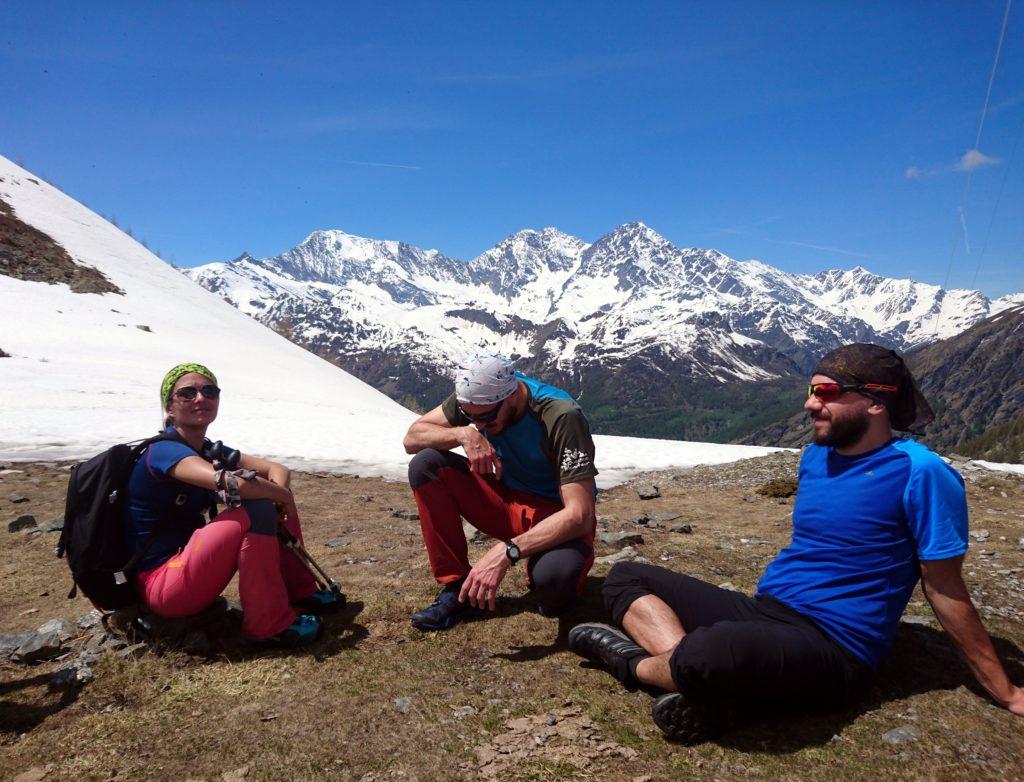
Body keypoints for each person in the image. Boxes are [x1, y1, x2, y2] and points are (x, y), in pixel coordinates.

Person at [569, 343, 1024, 743]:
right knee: (628, 576)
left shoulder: (922, 473)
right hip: (770, 611)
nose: (810, 404)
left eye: (826, 392)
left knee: (717, 648)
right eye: (810, 391)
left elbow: (945, 588)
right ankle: (701, 681)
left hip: (836, 647)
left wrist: (1005, 691)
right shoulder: (816, 457)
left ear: (875, 402)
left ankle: (637, 665)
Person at [125, 362, 341, 645]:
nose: (200, 398)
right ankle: (268, 624)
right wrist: (280, 497)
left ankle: (301, 592)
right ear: (170, 408)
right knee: (260, 505)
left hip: (186, 568)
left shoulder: (205, 448)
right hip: (163, 585)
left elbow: (275, 469)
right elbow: (230, 483)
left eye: (209, 391)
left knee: (267, 496)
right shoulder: (163, 451)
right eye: (187, 393)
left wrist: (279, 493)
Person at [403, 354, 599, 630]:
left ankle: (543, 567)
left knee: (555, 586)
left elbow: (580, 515)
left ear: (511, 396)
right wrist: (462, 434)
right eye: (471, 418)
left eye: (486, 419)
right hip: (504, 499)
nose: (479, 425)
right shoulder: (479, 400)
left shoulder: (561, 416)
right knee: (426, 465)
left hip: (555, 514)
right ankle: (457, 588)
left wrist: (509, 551)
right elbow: (412, 438)